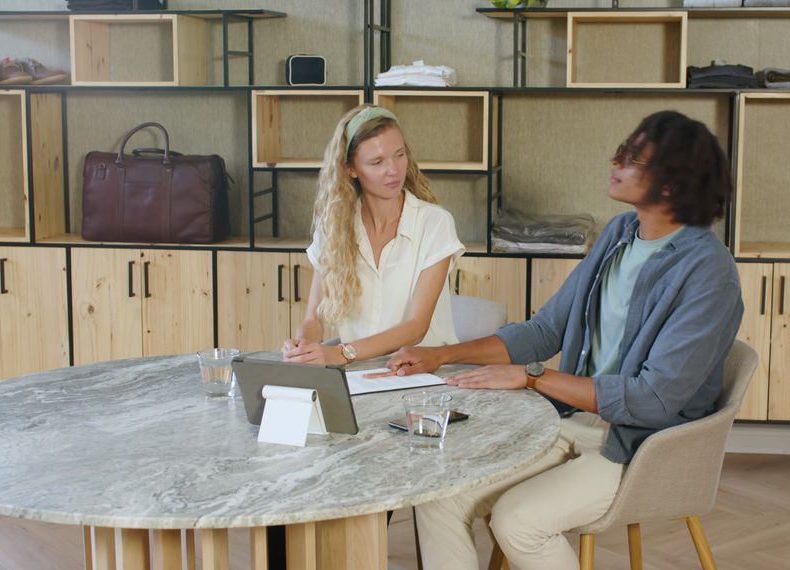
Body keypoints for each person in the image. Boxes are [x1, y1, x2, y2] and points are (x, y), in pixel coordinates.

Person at [383, 110, 745, 570]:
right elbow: (545, 331)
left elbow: (653, 400)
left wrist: (533, 378)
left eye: (633, 157)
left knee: (518, 521)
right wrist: (442, 354)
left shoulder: (708, 273)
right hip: (571, 421)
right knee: (439, 497)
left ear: (671, 185)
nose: (616, 161)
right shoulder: (619, 234)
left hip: (640, 446)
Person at [282, 104, 465, 365]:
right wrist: (302, 345)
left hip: (424, 375)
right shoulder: (333, 229)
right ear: (351, 169)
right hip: (361, 374)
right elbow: (315, 318)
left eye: (399, 155)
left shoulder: (434, 223)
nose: (394, 170)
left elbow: (416, 327)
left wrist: (341, 353)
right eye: (377, 162)